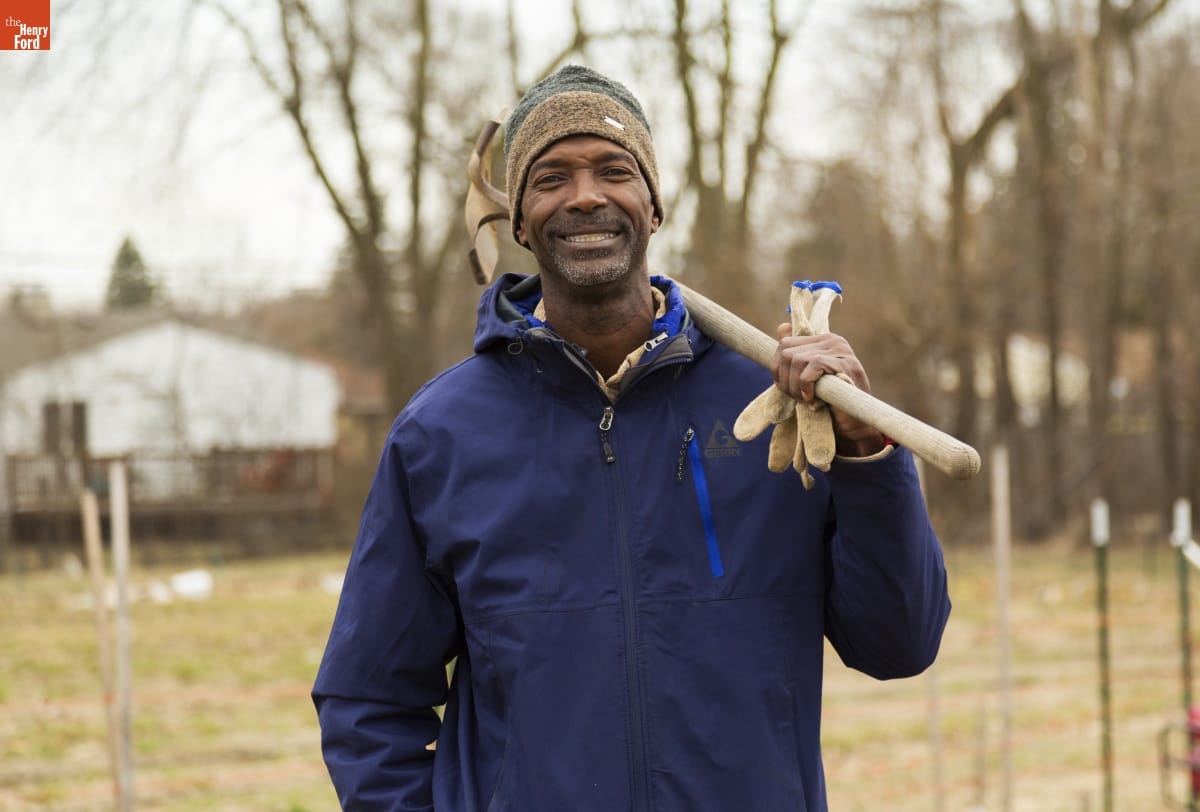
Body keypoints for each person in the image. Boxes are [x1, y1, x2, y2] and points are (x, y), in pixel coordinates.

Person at [313, 64, 951, 812]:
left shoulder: (774, 411)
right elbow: (368, 704)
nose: (585, 195)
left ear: (654, 207)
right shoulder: (441, 436)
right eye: (551, 178)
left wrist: (866, 454)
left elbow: (899, 644)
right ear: (520, 222)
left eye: (614, 170)